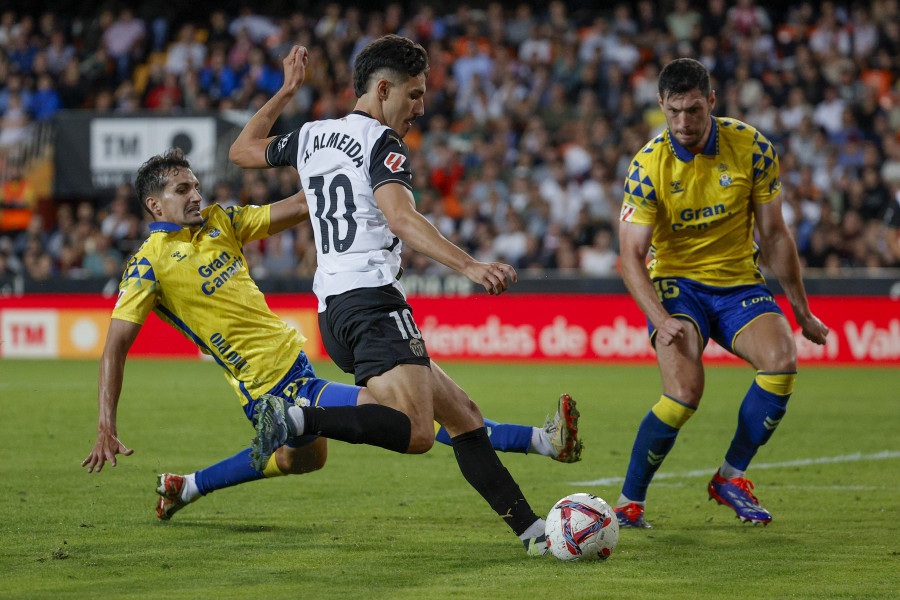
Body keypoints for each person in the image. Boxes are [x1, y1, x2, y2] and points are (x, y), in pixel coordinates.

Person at [81, 149, 581, 522]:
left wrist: (344, 166)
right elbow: (115, 346)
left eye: (195, 186)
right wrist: (106, 422)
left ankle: (185, 486)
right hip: (265, 388)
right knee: (410, 416)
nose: (195, 195)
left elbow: (301, 205)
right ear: (154, 204)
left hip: (297, 367)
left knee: (305, 459)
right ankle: (542, 441)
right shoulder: (148, 265)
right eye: (181, 190)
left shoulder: (221, 223)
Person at [229, 36, 576, 556]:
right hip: (371, 301)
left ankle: (532, 535)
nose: (420, 106)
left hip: (335, 310)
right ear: (383, 88)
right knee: (416, 432)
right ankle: (301, 417)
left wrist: (285, 92)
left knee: (463, 415)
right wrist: (471, 265)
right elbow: (401, 218)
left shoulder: (313, 136)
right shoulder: (382, 144)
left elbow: (242, 152)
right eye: (413, 95)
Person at [614, 58, 829, 528]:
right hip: (675, 284)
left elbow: (775, 235)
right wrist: (660, 317)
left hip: (737, 283)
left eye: (693, 110)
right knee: (684, 393)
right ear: (661, 106)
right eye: (674, 112)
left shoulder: (752, 147)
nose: (683, 123)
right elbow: (630, 257)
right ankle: (630, 502)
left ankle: (730, 477)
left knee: (781, 360)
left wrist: (803, 312)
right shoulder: (648, 166)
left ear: (712, 101)